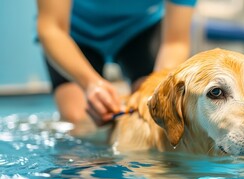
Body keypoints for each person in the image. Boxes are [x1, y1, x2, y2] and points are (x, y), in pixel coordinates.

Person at [36, 0, 197, 129]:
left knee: (153, 115)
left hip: (140, 29)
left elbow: (175, 42)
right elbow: (52, 29)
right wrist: (91, 84)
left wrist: (154, 89)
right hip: (75, 32)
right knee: (78, 121)